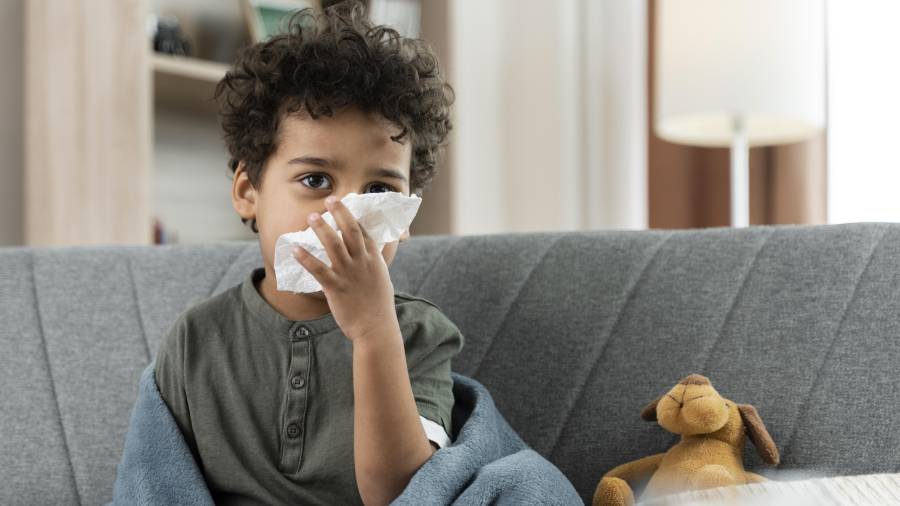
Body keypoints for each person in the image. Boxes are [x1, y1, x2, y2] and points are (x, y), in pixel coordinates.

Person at [153, 1, 461, 504]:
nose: (347, 215)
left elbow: (402, 494)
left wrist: (373, 330)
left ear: (405, 217)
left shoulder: (419, 337)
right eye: (316, 180)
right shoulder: (196, 341)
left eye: (380, 192)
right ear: (248, 191)